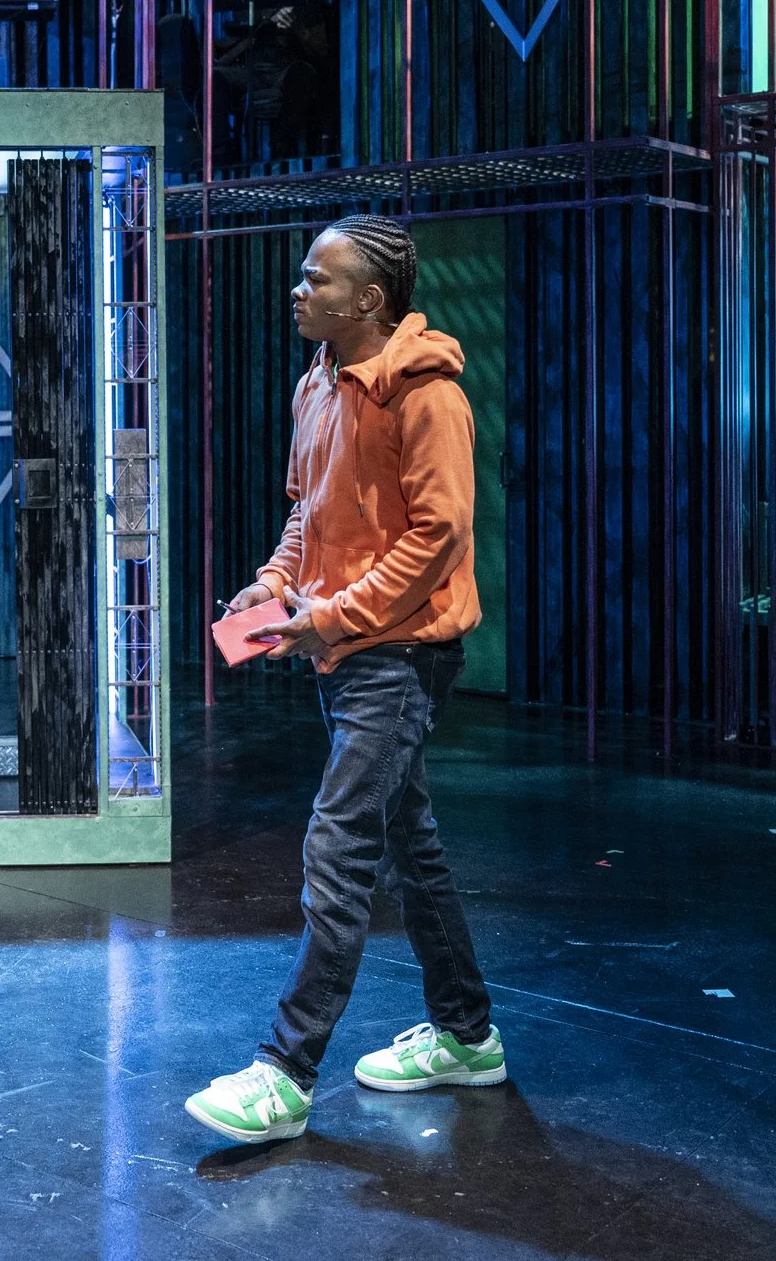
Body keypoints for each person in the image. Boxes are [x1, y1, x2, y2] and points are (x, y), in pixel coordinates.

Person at [185, 215, 504, 1146]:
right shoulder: (316, 383)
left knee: (341, 846)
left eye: (316, 279)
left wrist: (332, 614)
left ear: (368, 298)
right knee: (412, 845)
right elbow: (307, 514)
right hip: (347, 648)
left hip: (400, 658)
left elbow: (437, 536)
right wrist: (276, 583)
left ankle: (285, 1073)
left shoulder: (428, 397)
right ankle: (468, 1036)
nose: (299, 290)